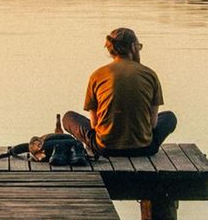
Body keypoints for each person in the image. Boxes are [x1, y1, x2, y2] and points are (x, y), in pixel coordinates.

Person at [61, 27, 177, 158]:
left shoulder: (97, 75)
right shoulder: (149, 74)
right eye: (139, 46)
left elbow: (94, 125)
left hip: (105, 148)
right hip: (144, 148)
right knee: (169, 117)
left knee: (68, 117)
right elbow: (153, 124)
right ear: (133, 47)